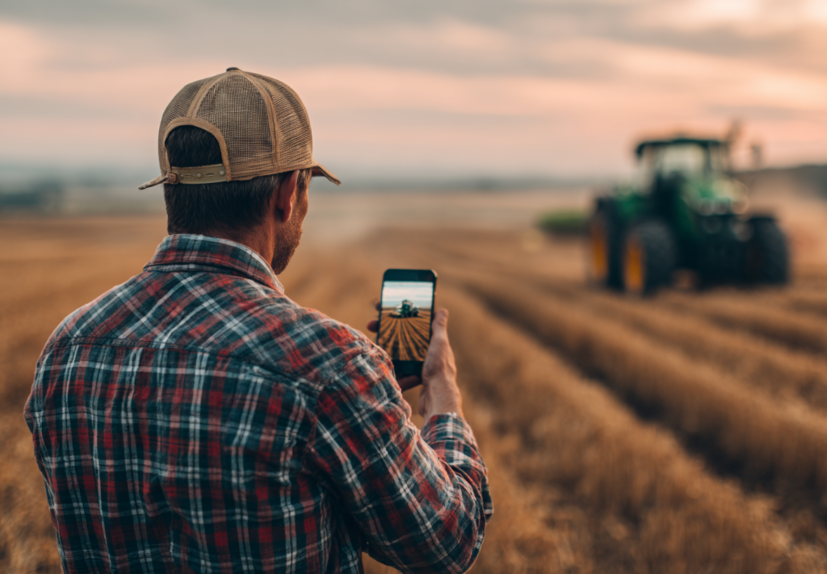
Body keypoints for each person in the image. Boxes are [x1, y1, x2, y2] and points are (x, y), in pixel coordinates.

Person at [24, 67, 492, 573]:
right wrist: (443, 398)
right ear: (288, 193)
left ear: (172, 190)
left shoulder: (66, 350)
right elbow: (446, 543)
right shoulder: (328, 364)